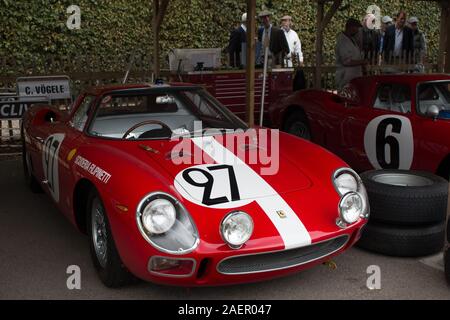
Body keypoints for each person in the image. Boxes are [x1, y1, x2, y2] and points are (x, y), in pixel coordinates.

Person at [335, 18, 367, 91]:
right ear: (351, 27)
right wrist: (362, 61)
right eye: (356, 28)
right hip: (345, 78)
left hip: (353, 77)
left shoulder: (352, 39)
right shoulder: (342, 41)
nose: (357, 31)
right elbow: (346, 61)